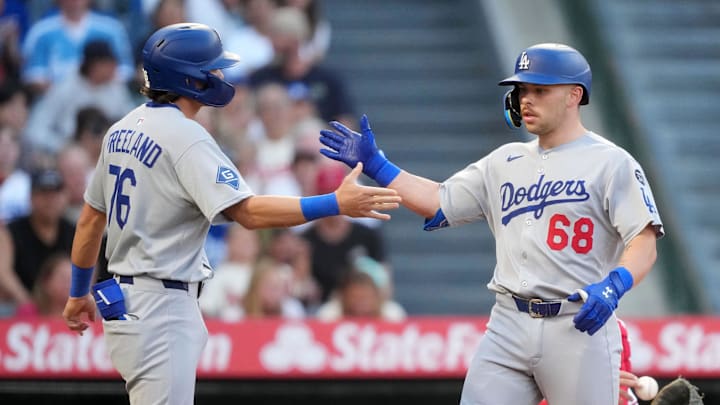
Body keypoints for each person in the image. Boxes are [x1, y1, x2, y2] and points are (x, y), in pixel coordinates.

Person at [61, 23, 400, 405]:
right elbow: (249, 213)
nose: (220, 75)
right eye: (213, 68)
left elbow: (91, 219)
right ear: (189, 77)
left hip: (129, 298)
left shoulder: (121, 128)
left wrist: (77, 293)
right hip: (160, 304)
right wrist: (334, 203)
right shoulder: (185, 136)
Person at [319, 43, 663, 404]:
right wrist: (377, 166)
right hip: (508, 321)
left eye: (540, 90)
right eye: (523, 90)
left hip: (577, 323)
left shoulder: (612, 162)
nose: (526, 99)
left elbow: (644, 240)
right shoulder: (505, 161)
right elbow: (439, 202)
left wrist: (615, 285)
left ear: (574, 95)